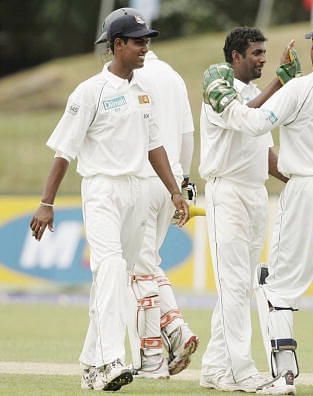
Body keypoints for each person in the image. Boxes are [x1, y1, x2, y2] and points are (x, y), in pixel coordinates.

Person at [202, 17, 313, 395]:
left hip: (305, 188)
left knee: (280, 284)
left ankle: (283, 376)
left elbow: (253, 125)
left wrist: (275, 85)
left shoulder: (299, 88)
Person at [29, 13, 189, 391]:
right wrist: (46, 202)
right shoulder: (90, 92)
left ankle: (91, 365)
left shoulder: (142, 92)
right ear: (117, 45)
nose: (145, 48)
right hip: (102, 190)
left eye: (146, 41)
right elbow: (63, 151)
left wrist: (175, 191)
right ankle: (110, 360)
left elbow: (155, 147)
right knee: (112, 270)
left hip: (136, 190)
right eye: (138, 42)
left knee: (117, 278)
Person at [95, 8, 198, 379]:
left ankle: (154, 354)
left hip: (137, 180)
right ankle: (176, 329)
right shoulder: (171, 76)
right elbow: (186, 137)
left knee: (135, 272)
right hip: (169, 180)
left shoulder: (123, 78)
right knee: (149, 264)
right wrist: (181, 184)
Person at [198, 27, 297, 393]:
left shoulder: (256, 93)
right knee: (236, 285)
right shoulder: (219, 90)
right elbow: (242, 118)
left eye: (263, 52)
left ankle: (214, 367)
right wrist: (279, 83)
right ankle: (243, 372)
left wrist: (299, 181)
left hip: (255, 194)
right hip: (227, 193)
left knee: (239, 285)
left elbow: (265, 153)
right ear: (236, 56)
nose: (262, 59)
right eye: (256, 53)